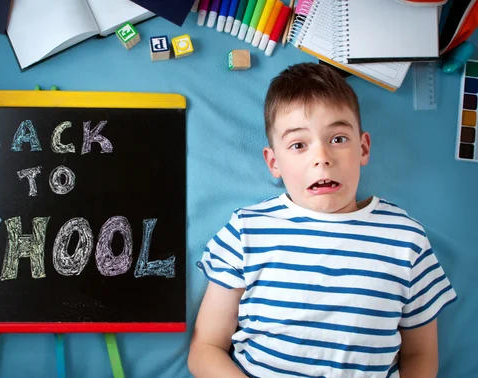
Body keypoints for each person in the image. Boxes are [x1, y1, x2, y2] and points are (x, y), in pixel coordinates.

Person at [188, 62, 457, 378]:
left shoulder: (406, 239)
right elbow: (205, 349)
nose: (322, 157)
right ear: (274, 162)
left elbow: (421, 353)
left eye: (339, 138)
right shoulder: (247, 231)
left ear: (364, 148)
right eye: (299, 145)